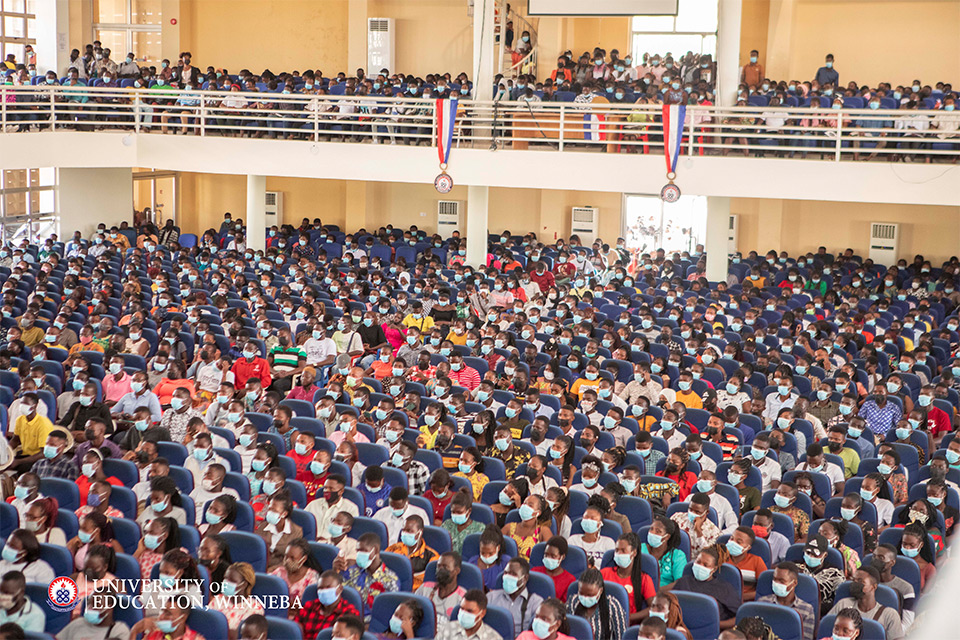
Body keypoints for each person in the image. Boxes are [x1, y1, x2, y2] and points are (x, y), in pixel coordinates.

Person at [665, 547, 740, 629]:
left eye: (705, 565)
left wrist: (716, 624)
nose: (700, 566)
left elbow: (739, 615)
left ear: (714, 569)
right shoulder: (683, 581)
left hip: (710, 631)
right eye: (698, 562)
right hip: (679, 628)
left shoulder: (725, 588)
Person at [827, 566, 903, 640]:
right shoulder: (843, 604)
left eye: (860, 581)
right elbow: (827, 629)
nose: (855, 583)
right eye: (853, 580)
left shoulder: (889, 615)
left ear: (873, 587)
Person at [341, 532, 400, 622]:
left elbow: (389, 612)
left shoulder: (390, 579)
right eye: (357, 551)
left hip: (371, 624)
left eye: (363, 551)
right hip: (348, 619)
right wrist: (336, 571)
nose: (359, 555)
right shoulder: (351, 572)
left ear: (375, 551)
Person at [600, 532, 657, 621]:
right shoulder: (604, 573)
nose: (619, 553)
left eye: (623, 550)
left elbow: (654, 607)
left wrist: (629, 617)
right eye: (617, 550)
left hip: (630, 624)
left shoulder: (644, 579)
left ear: (634, 552)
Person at [757, 561, 817, 640]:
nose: (776, 583)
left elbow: (806, 638)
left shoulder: (806, 609)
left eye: (782, 581)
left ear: (794, 583)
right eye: (775, 579)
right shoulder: (762, 602)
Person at [295, 570, 362, 637]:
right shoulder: (309, 606)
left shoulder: (349, 613)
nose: (324, 591)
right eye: (320, 588)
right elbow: (295, 630)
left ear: (340, 589)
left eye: (328, 587)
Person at [488, 557, 545, 636]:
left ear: (525, 578)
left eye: (513, 574)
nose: (508, 577)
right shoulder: (491, 597)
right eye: (506, 573)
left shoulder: (535, 602)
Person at [567, 567, 628, 640]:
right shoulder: (573, 602)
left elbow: (622, 636)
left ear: (600, 591)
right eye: (581, 594)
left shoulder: (612, 606)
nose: (585, 597)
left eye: (590, 595)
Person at [385, 514, 439, 590]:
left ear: (420, 533)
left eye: (409, 531)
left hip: (415, 595)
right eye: (403, 530)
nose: (404, 533)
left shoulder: (432, 556)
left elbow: (429, 585)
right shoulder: (394, 549)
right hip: (392, 589)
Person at [415, 551, 466, 619]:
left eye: (445, 567)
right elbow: (412, 609)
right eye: (439, 566)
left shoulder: (463, 597)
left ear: (456, 571)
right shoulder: (425, 588)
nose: (440, 570)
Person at [436, 588, 502, 640]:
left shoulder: (493, 638)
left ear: (482, 613)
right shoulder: (447, 629)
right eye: (462, 609)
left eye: (469, 611)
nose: (463, 613)